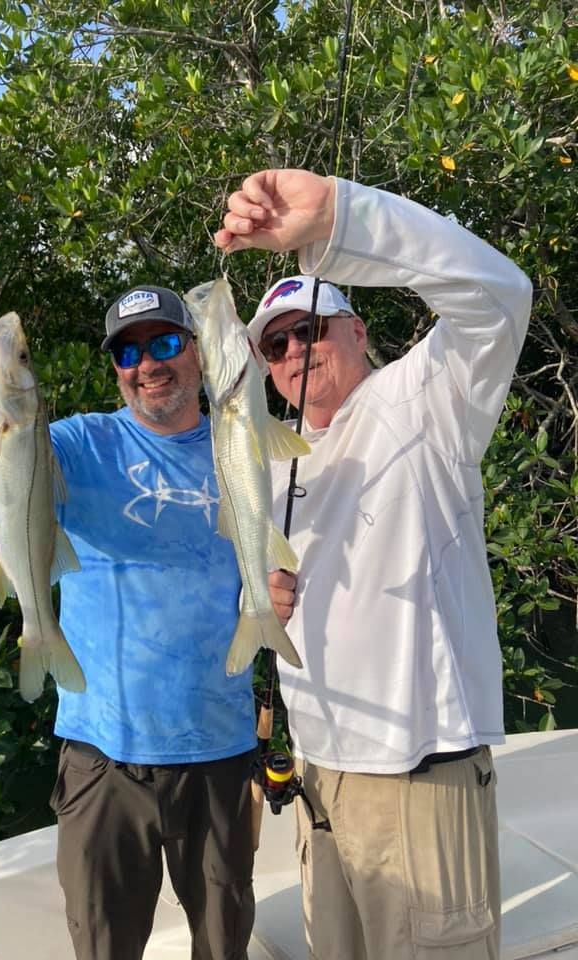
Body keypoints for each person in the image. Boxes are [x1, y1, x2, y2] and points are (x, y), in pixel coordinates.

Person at [215, 169, 532, 960]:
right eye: (275, 345)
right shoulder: (272, 462)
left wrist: (341, 215)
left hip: (418, 779)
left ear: (359, 331)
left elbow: (500, 293)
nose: (295, 351)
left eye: (312, 328)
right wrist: (267, 601)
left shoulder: (425, 401)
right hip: (321, 779)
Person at [0, 286, 257, 960]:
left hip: (220, 750)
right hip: (101, 759)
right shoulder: (77, 443)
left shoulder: (245, 445)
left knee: (224, 946)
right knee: (103, 947)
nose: (148, 364)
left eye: (165, 343)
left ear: (196, 351)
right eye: (128, 352)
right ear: (114, 367)